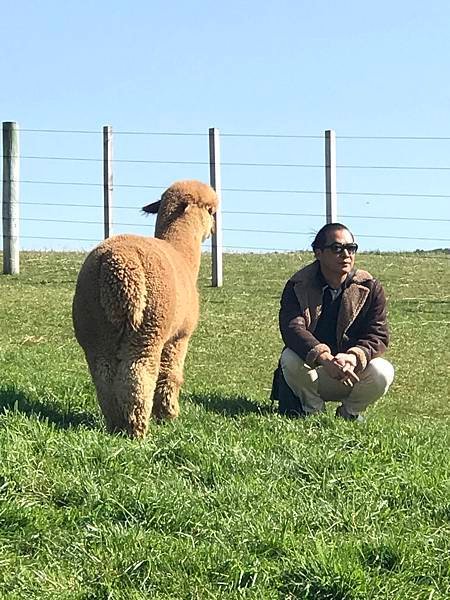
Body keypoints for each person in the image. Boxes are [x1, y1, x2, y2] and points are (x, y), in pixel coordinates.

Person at [271, 222, 394, 422]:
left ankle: (349, 414)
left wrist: (353, 358)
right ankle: (313, 413)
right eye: (337, 248)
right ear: (318, 253)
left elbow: (378, 335)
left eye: (351, 248)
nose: (346, 254)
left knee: (383, 371)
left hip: (351, 372)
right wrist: (325, 358)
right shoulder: (297, 286)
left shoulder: (370, 287)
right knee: (290, 358)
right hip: (314, 373)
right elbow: (292, 329)